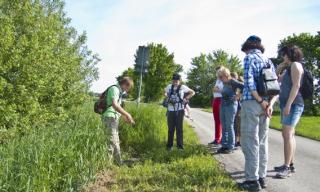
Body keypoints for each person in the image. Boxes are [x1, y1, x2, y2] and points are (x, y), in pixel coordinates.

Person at [238, 35, 277, 191]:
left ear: (247, 47)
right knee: (262, 142)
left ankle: (251, 180)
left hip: (252, 103)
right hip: (266, 105)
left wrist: (260, 101)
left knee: (249, 142)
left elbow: (248, 82)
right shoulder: (268, 61)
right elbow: (275, 86)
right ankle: (261, 177)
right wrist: (269, 104)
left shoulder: (249, 58)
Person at [273, 45, 305, 178]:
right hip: (288, 104)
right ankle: (290, 164)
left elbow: (297, 85)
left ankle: (286, 168)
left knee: (287, 134)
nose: (283, 56)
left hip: (293, 104)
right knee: (289, 134)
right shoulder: (289, 68)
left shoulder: (296, 66)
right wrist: (279, 67)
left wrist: (288, 105)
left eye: (284, 54)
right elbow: (275, 80)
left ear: (290, 54)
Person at [102, 77, 135, 165]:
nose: (127, 90)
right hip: (109, 117)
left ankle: (119, 162)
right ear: (125, 85)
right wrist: (127, 114)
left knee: (115, 141)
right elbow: (114, 105)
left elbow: (117, 108)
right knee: (111, 141)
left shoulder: (118, 91)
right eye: (128, 88)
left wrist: (124, 116)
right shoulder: (114, 89)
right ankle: (106, 165)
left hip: (113, 118)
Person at [216, 67, 244, 154]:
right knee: (224, 125)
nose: (220, 79)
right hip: (223, 105)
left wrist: (238, 96)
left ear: (226, 75)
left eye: (221, 77)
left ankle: (231, 146)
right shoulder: (224, 82)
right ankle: (224, 145)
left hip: (231, 106)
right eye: (219, 77)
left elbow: (244, 86)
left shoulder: (233, 81)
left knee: (229, 125)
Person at [164, 73, 195, 150]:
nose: (175, 82)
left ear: (180, 80)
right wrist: (167, 97)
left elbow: (193, 92)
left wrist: (186, 98)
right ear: (172, 80)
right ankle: (169, 146)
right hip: (170, 110)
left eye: (177, 81)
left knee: (179, 129)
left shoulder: (183, 87)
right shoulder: (169, 86)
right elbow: (164, 92)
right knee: (170, 129)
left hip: (180, 110)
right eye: (174, 80)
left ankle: (180, 147)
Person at [208, 66, 223, 145]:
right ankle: (217, 139)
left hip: (222, 100)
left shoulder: (225, 79)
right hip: (216, 99)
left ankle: (223, 139)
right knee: (217, 120)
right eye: (217, 72)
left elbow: (225, 90)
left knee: (223, 121)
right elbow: (214, 89)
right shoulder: (217, 80)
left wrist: (217, 89)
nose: (217, 73)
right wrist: (216, 89)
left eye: (219, 71)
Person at [231, 72, 242, 147]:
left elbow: (240, 96)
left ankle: (238, 141)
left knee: (238, 125)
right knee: (235, 125)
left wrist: (238, 96)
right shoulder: (232, 86)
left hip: (239, 108)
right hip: (234, 107)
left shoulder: (239, 86)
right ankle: (236, 141)